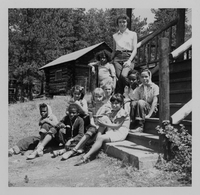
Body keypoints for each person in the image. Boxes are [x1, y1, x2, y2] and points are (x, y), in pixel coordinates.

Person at [74, 93, 130, 166]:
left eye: (116, 104)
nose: (114, 105)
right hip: (113, 131)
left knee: (101, 137)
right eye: (113, 103)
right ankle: (95, 143)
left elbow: (117, 127)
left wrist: (104, 124)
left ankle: (86, 156)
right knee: (104, 118)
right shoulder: (113, 111)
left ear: (121, 104)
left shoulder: (123, 113)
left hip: (120, 133)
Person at [60, 87, 111, 160]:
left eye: (100, 97)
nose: (98, 99)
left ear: (103, 97)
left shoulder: (106, 107)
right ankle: (73, 150)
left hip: (103, 127)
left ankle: (83, 150)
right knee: (89, 133)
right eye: (96, 96)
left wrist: (99, 126)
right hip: (94, 125)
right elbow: (91, 119)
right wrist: (94, 125)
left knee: (93, 137)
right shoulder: (92, 107)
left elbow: (107, 119)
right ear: (93, 97)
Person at [111, 14, 138, 95]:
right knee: (119, 78)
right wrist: (110, 60)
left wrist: (129, 61)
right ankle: (120, 97)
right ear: (117, 24)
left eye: (124, 22)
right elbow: (113, 50)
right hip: (117, 58)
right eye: (120, 22)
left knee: (124, 76)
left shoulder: (133, 34)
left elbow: (135, 49)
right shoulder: (115, 36)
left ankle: (131, 93)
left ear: (127, 23)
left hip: (128, 56)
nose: (122, 24)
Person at [130, 68, 159, 132]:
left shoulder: (154, 87)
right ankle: (133, 123)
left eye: (146, 77)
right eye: (142, 77)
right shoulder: (139, 88)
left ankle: (140, 126)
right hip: (140, 110)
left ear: (150, 77)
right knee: (133, 103)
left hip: (151, 110)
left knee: (140, 102)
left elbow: (154, 102)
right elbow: (134, 100)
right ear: (140, 78)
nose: (144, 79)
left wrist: (149, 115)